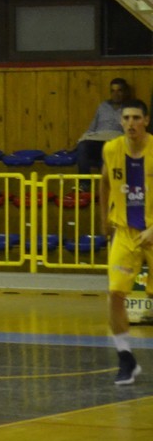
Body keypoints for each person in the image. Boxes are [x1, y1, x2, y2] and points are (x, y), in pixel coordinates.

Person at [99, 99, 150, 386]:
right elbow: (104, 181)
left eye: (136, 118)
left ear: (146, 121)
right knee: (115, 294)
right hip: (126, 231)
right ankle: (125, 358)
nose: (131, 123)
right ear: (121, 122)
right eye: (126, 118)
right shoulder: (111, 149)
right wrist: (103, 218)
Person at [78, 78, 130, 192]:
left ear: (125, 92)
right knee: (82, 146)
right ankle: (84, 184)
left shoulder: (129, 108)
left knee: (107, 151)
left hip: (115, 140)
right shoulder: (102, 106)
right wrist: (80, 140)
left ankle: (106, 186)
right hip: (97, 138)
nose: (116, 94)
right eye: (113, 91)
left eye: (119, 90)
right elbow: (92, 127)